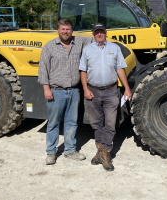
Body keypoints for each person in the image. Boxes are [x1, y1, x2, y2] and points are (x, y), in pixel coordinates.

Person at [38, 18, 93, 165]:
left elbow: (96, 38)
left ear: (72, 30)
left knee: (72, 122)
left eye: (68, 29)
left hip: (74, 91)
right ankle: (51, 152)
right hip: (56, 92)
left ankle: (70, 150)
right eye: (63, 29)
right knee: (54, 123)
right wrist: (46, 88)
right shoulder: (49, 46)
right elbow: (43, 68)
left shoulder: (79, 42)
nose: (65, 32)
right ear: (58, 30)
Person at [79, 23, 132, 171]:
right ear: (93, 34)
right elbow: (83, 70)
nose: (99, 34)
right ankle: (100, 152)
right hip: (92, 91)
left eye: (101, 31)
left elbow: (120, 69)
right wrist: (85, 89)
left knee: (110, 123)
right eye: (97, 32)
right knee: (96, 123)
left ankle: (105, 152)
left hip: (111, 91)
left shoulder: (114, 48)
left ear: (106, 33)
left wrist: (127, 88)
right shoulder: (87, 50)